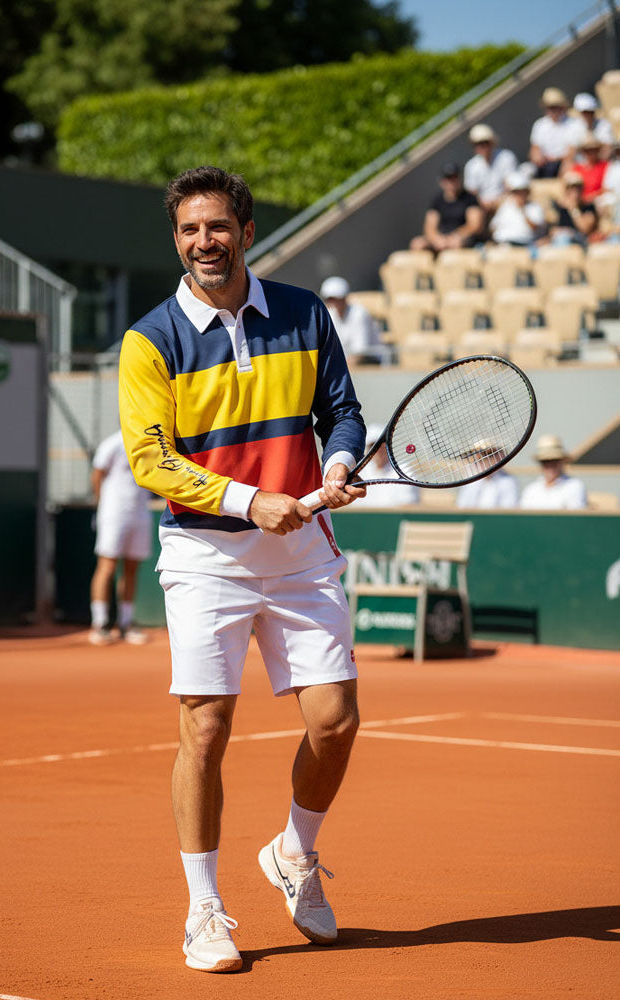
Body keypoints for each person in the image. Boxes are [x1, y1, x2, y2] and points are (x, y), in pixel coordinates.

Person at [117, 165, 367, 973]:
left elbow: (342, 409)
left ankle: (294, 854)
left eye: (217, 227)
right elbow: (150, 459)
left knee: (334, 722)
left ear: (247, 233)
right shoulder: (149, 339)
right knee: (206, 728)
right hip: (205, 555)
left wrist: (338, 463)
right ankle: (204, 910)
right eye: (189, 230)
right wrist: (248, 500)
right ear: (177, 239)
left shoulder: (303, 313)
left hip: (301, 553)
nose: (203, 242)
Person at [88, 428, 152, 645]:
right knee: (107, 567)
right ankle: (100, 624)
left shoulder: (149, 443)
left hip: (140, 513)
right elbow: (97, 475)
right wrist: (101, 507)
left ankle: (126, 623)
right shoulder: (112, 443)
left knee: (132, 568)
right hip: (113, 514)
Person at [409, 162, 485, 253]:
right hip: (442, 238)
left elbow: (475, 225)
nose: (451, 182)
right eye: (448, 179)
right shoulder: (437, 201)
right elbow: (429, 227)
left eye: (454, 178)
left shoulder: (470, 199)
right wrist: (437, 239)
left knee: (456, 243)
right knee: (417, 244)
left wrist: (455, 236)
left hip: (461, 238)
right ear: (442, 181)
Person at [319, 275, 384, 366]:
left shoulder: (359, 314)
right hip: (346, 364)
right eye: (329, 299)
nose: (332, 302)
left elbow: (360, 352)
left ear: (344, 298)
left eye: (335, 299)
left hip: (370, 362)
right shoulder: (330, 314)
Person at [350, 423, 419, 508]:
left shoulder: (405, 470)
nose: (377, 451)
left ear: (387, 447)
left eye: (381, 446)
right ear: (367, 449)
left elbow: (409, 505)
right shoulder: (358, 471)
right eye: (373, 446)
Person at [519, 434, 588, 510]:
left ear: (562, 461)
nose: (550, 466)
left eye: (554, 460)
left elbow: (574, 518)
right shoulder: (531, 490)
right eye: (545, 461)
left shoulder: (574, 486)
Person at [463, 123, 519, 214]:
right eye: (477, 144)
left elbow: (512, 185)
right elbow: (471, 193)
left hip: (506, 200)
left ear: (492, 142)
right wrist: (482, 203)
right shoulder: (471, 166)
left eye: (484, 143)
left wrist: (498, 201)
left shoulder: (506, 157)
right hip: (483, 207)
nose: (481, 147)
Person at [488, 171, 547, 248]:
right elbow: (493, 226)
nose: (519, 195)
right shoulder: (506, 206)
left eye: (521, 192)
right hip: (503, 243)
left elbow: (535, 228)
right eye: (516, 192)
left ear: (527, 192)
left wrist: (523, 210)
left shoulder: (535, 207)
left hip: (524, 244)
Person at [529, 87, 576, 178]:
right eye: (549, 107)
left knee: (568, 167)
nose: (552, 110)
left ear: (562, 107)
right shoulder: (539, 124)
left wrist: (556, 159)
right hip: (545, 164)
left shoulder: (573, 124)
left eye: (555, 107)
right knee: (526, 171)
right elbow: (534, 148)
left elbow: (571, 152)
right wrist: (538, 157)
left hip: (563, 162)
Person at [456, 441, 519, 508]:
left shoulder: (508, 482)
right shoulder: (470, 482)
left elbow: (508, 511)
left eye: (487, 455)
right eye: (475, 456)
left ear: (499, 457)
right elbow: (462, 507)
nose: (479, 460)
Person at [549, 171, 598, 245]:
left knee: (563, 239)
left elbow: (585, 229)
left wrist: (573, 209)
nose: (575, 192)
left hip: (581, 241)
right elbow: (552, 230)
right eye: (571, 189)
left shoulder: (588, 207)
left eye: (578, 189)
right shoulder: (560, 208)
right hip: (562, 238)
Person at [567, 92, 614, 160]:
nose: (587, 115)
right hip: (581, 166)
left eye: (589, 112)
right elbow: (571, 153)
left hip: (600, 164)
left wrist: (596, 167)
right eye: (584, 112)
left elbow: (608, 148)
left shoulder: (604, 125)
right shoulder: (574, 127)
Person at [570, 132, 609, 203]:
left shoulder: (605, 166)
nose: (591, 153)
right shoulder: (577, 168)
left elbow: (606, 188)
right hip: (580, 202)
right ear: (583, 152)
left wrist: (591, 197)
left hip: (597, 201)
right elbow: (571, 188)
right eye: (587, 151)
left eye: (593, 150)